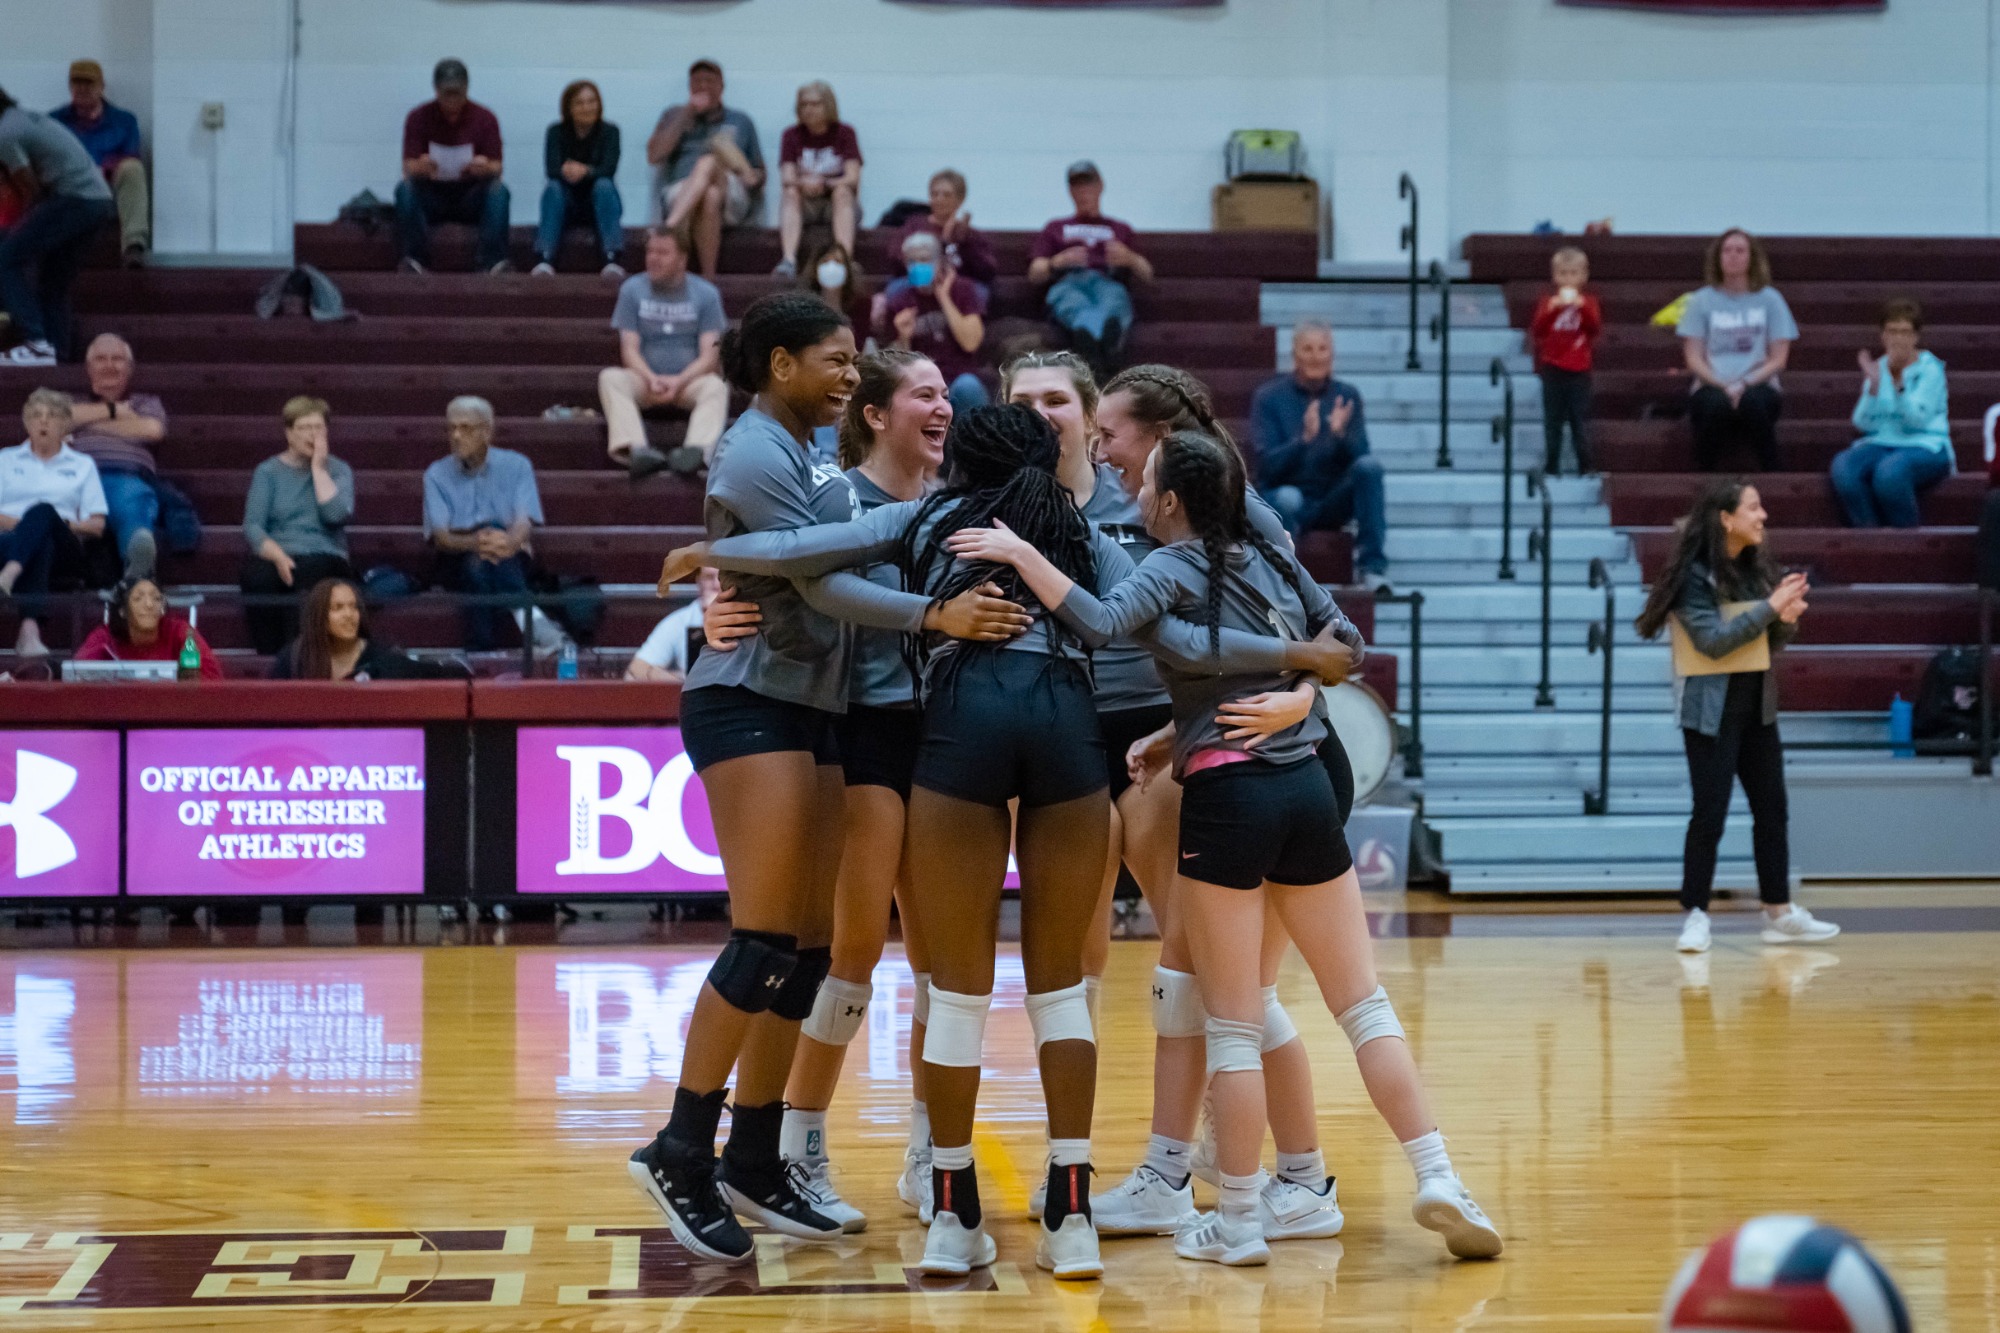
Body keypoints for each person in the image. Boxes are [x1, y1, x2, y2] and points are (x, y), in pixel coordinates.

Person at [655, 402, 1321, 1279]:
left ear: (960, 460)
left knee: (957, 994)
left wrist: (715, 555)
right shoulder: (1077, 532)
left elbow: (804, 565)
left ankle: (953, 1213)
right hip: (1065, 735)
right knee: (1061, 995)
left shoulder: (924, 515)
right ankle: (1072, 1214)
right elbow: (1154, 626)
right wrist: (1295, 671)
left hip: (961, 733)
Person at [947, 431, 1503, 1266]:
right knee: (1365, 1005)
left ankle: (1239, 1220)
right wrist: (1292, 690)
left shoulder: (1169, 567)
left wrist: (1024, 553)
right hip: (1311, 784)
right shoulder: (1275, 559)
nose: (1135, 494)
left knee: (1233, 1024)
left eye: (1147, 485)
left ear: (1171, 502)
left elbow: (1099, 622)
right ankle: (1441, 1174)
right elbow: (1345, 644)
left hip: (1231, 794)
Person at [624, 292, 1020, 1266]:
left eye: (854, 362)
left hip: (807, 704)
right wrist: (927, 599)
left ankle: (754, 1154)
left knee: (803, 947)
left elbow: (811, 558)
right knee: (763, 937)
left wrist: (730, 555)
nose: (846, 375)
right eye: (832, 361)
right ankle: (681, 1145)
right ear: (777, 366)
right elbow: (814, 577)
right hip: (747, 698)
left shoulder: (813, 457)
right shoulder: (758, 450)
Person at [1084, 363, 1362, 1245]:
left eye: (1104, 427)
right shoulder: (1102, 502)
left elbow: (1318, 642)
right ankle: (1193, 1170)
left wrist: (1303, 695)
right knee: (1189, 978)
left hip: (1264, 754)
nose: (1094, 442)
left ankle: (1294, 1175)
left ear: (1161, 438)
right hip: (1189, 743)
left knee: (1229, 989)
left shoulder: (1227, 505)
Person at [1633, 479, 1841, 953]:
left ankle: (1779, 912)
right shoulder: (1694, 577)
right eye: (1753, 507)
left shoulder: (1755, 568)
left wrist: (1785, 620)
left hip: (1757, 708)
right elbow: (1713, 641)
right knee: (1710, 815)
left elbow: (1762, 644)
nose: (1763, 515)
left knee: (1773, 810)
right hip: (1709, 712)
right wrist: (1770, 608)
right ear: (1726, 518)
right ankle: (1696, 914)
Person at [1249, 321, 1390, 592]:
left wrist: (1340, 436)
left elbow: (1362, 460)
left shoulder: (1346, 396)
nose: (1316, 356)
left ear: (1332, 355)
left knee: (1370, 468)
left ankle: (1372, 568)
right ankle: (1285, 580)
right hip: (1286, 497)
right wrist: (1302, 441)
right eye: (1308, 349)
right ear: (1295, 355)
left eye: (1322, 349)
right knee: (1288, 498)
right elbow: (1267, 468)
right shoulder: (1269, 397)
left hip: (1331, 499)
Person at [599, 228, 729, 478]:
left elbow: (709, 356)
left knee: (716, 386)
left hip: (687, 383)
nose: (653, 258)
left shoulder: (706, 294)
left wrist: (679, 381)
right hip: (646, 382)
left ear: (682, 259)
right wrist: (651, 378)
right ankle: (635, 450)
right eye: (650, 251)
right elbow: (629, 349)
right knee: (611, 378)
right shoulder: (632, 290)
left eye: (662, 252)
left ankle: (697, 453)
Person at [0, 86, 116, 366]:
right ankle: (57, 355)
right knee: (54, 282)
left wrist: (15, 231)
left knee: (6, 258)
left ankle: (37, 343)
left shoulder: (4, 133)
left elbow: (30, 190)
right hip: (98, 200)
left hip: (74, 198)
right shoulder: (20, 117)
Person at [423, 395, 545, 653]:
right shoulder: (436, 473)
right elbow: (442, 537)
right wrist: (479, 542)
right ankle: (534, 624)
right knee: (475, 562)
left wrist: (509, 543)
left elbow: (524, 522)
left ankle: (481, 652)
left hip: (509, 552)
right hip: (455, 555)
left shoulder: (517, 465)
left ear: (486, 432)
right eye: (451, 428)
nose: (456, 436)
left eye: (465, 428)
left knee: (480, 565)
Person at [239, 396, 356, 656]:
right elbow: (253, 527)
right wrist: (279, 556)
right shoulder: (267, 472)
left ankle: (303, 657)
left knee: (309, 575)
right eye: (304, 428)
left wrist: (318, 469)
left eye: (318, 428)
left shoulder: (339, 470)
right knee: (258, 577)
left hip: (325, 553)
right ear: (289, 434)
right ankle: (270, 658)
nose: (312, 434)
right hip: (278, 551)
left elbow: (335, 516)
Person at [1679, 229, 1797, 472]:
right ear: (1718, 257)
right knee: (1715, 405)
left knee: (1753, 403)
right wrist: (1723, 386)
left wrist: (1744, 384)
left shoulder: (1770, 299)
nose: (1733, 256)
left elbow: (1779, 359)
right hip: (1711, 384)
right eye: (1727, 250)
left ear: (1751, 258)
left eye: (1740, 250)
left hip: (1758, 385)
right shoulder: (1701, 301)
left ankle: (1773, 475)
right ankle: (1704, 479)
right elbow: (1693, 358)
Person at [0, 389, 106, 658]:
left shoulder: (83, 465)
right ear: (26, 423)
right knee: (39, 542)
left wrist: (56, 523)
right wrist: (26, 528)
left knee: (44, 512)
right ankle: (29, 632)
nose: (43, 422)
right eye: (36, 415)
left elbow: (96, 525)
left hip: (65, 547)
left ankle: (9, 575)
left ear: (65, 425)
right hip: (8, 539)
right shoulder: (5, 459)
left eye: (52, 416)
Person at [1830, 299, 1952, 529]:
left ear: (1916, 337)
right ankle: (1870, 535)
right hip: (1882, 442)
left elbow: (1916, 421)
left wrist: (1898, 383)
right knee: (1843, 467)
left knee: (1890, 473)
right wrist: (1875, 387)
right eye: (1892, 331)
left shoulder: (1931, 369)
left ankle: (1906, 539)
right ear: (1883, 336)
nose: (1898, 338)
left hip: (1926, 444)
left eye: (1905, 332)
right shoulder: (1879, 368)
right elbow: (1862, 423)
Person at [1028, 162, 1151, 379]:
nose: (1084, 192)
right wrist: (1056, 262)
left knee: (1115, 298)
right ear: (1070, 192)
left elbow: (1147, 274)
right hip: (1069, 281)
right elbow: (1035, 273)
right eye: (1077, 187)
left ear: (1100, 186)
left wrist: (1129, 259)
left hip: (1108, 280)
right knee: (1072, 302)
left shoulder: (1119, 229)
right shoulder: (1056, 227)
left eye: (1088, 186)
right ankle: (1105, 346)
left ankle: (1092, 346)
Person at [647, 60, 764, 280]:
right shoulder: (673, 115)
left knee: (709, 161)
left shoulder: (741, 120)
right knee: (710, 196)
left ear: (721, 87)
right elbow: (654, 157)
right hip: (681, 190)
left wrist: (751, 177)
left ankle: (668, 228)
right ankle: (709, 277)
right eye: (697, 82)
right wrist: (685, 115)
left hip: (731, 191)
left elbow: (759, 172)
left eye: (709, 81)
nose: (703, 86)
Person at [395, 59, 509, 276]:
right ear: (436, 90)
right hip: (433, 193)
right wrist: (421, 166)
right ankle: (415, 260)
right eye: (447, 93)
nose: (452, 100)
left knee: (498, 191)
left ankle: (492, 261)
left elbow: (497, 167)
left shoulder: (485, 118)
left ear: (466, 88)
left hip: (470, 194)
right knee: (405, 190)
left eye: (457, 93)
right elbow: (408, 166)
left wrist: (484, 168)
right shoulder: (418, 117)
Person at [66, 333, 165, 580]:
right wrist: (115, 411)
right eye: (101, 359)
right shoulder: (68, 401)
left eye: (117, 359)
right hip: (73, 478)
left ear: (129, 369)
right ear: (89, 368)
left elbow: (151, 430)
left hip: (124, 477)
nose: (109, 365)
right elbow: (59, 419)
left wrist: (85, 424)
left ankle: (138, 570)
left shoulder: (145, 402)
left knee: (130, 503)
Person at [48, 60, 147, 267]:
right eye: (77, 83)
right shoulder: (54, 121)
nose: (82, 88)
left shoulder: (124, 120)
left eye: (88, 83)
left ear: (101, 86)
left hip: (108, 184)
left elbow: (131, 155)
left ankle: (133, 246)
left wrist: (102, 169)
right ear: (70, 87)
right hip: (69, 185)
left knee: (132, 169)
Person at [879, 232, 988, 416]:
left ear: (940, 261)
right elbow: (896, 366)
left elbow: (971, 343)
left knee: (969, 387)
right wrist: (904, 338)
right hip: (920, 383)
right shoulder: (899, 298)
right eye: (911, 261)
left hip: (957, 379)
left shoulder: (963, 289)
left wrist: (943, 297)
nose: (917, 266)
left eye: (924, 260)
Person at [269, 577, 460, 680]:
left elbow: (433, 675)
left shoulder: (383, 659)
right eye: (338, 608)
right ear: (318, 616)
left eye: (353, 607)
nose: (349, 615)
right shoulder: (293, 659)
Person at [532, 80, 624, 278]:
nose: (586, 108)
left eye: (591, 102)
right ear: (568, 108)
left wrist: (585, 171)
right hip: (566, 204)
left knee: (604, 185)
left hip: (599, 204)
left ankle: (611, 258)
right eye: (580, 103)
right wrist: (569, 172)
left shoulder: (610, 131)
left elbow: (609, 169)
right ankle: (545, 258)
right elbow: (551, 169)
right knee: (553, 187)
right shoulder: (555, 131)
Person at [773, 81, 860, 280]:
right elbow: (787, 178)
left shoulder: (845, 133)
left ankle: (845, 257)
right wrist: (804, 184)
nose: (808, 109)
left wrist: (824, 183)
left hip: (836, 202)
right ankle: (789, 260)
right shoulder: (791, 135)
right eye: (804, 105)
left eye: (815, 104)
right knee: (790, 192)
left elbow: (852, 177)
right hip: (806, 203)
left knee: (843, 191)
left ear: (828, 105)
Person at [1529, 246, 1602, 476]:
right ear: (1555, 275)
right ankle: (1552, 464)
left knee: (1578, 420)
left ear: (1583, 275)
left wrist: (1580, 308)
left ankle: (1585, 464)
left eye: (1573, 273)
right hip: (1552, 367)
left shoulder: (1588, 302)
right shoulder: (1547, 302)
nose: (1568, 279)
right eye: (1563, 273)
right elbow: (1538, 330)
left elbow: (1594, 328)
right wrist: (1552, 310)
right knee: (1553, 420)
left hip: (1579, 370)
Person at [74, 575, 221, 679]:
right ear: (123, 611)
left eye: (156, 598)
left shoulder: (181, 632)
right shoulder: (105, 637)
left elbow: (211, 679)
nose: (149, 605)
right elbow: (78, 675)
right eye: (138, 598)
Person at [896, 169, 997, 297]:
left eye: (947, 195)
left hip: (957, 286)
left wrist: (964, 241)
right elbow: (896, 257)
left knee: (978, 292)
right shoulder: (914, 226)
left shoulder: (970, 233)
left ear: (960, 200)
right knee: (896, 289)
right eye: (934, 194)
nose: (939, 199)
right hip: (919, 281)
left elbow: (987, 272)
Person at [628, 565, 734, 680]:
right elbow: (635, 670)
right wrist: (682, 680)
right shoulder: (678, 622)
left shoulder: (751, 616)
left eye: (723, 579)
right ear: (698, 580)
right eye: (709, 577)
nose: (716, 585)